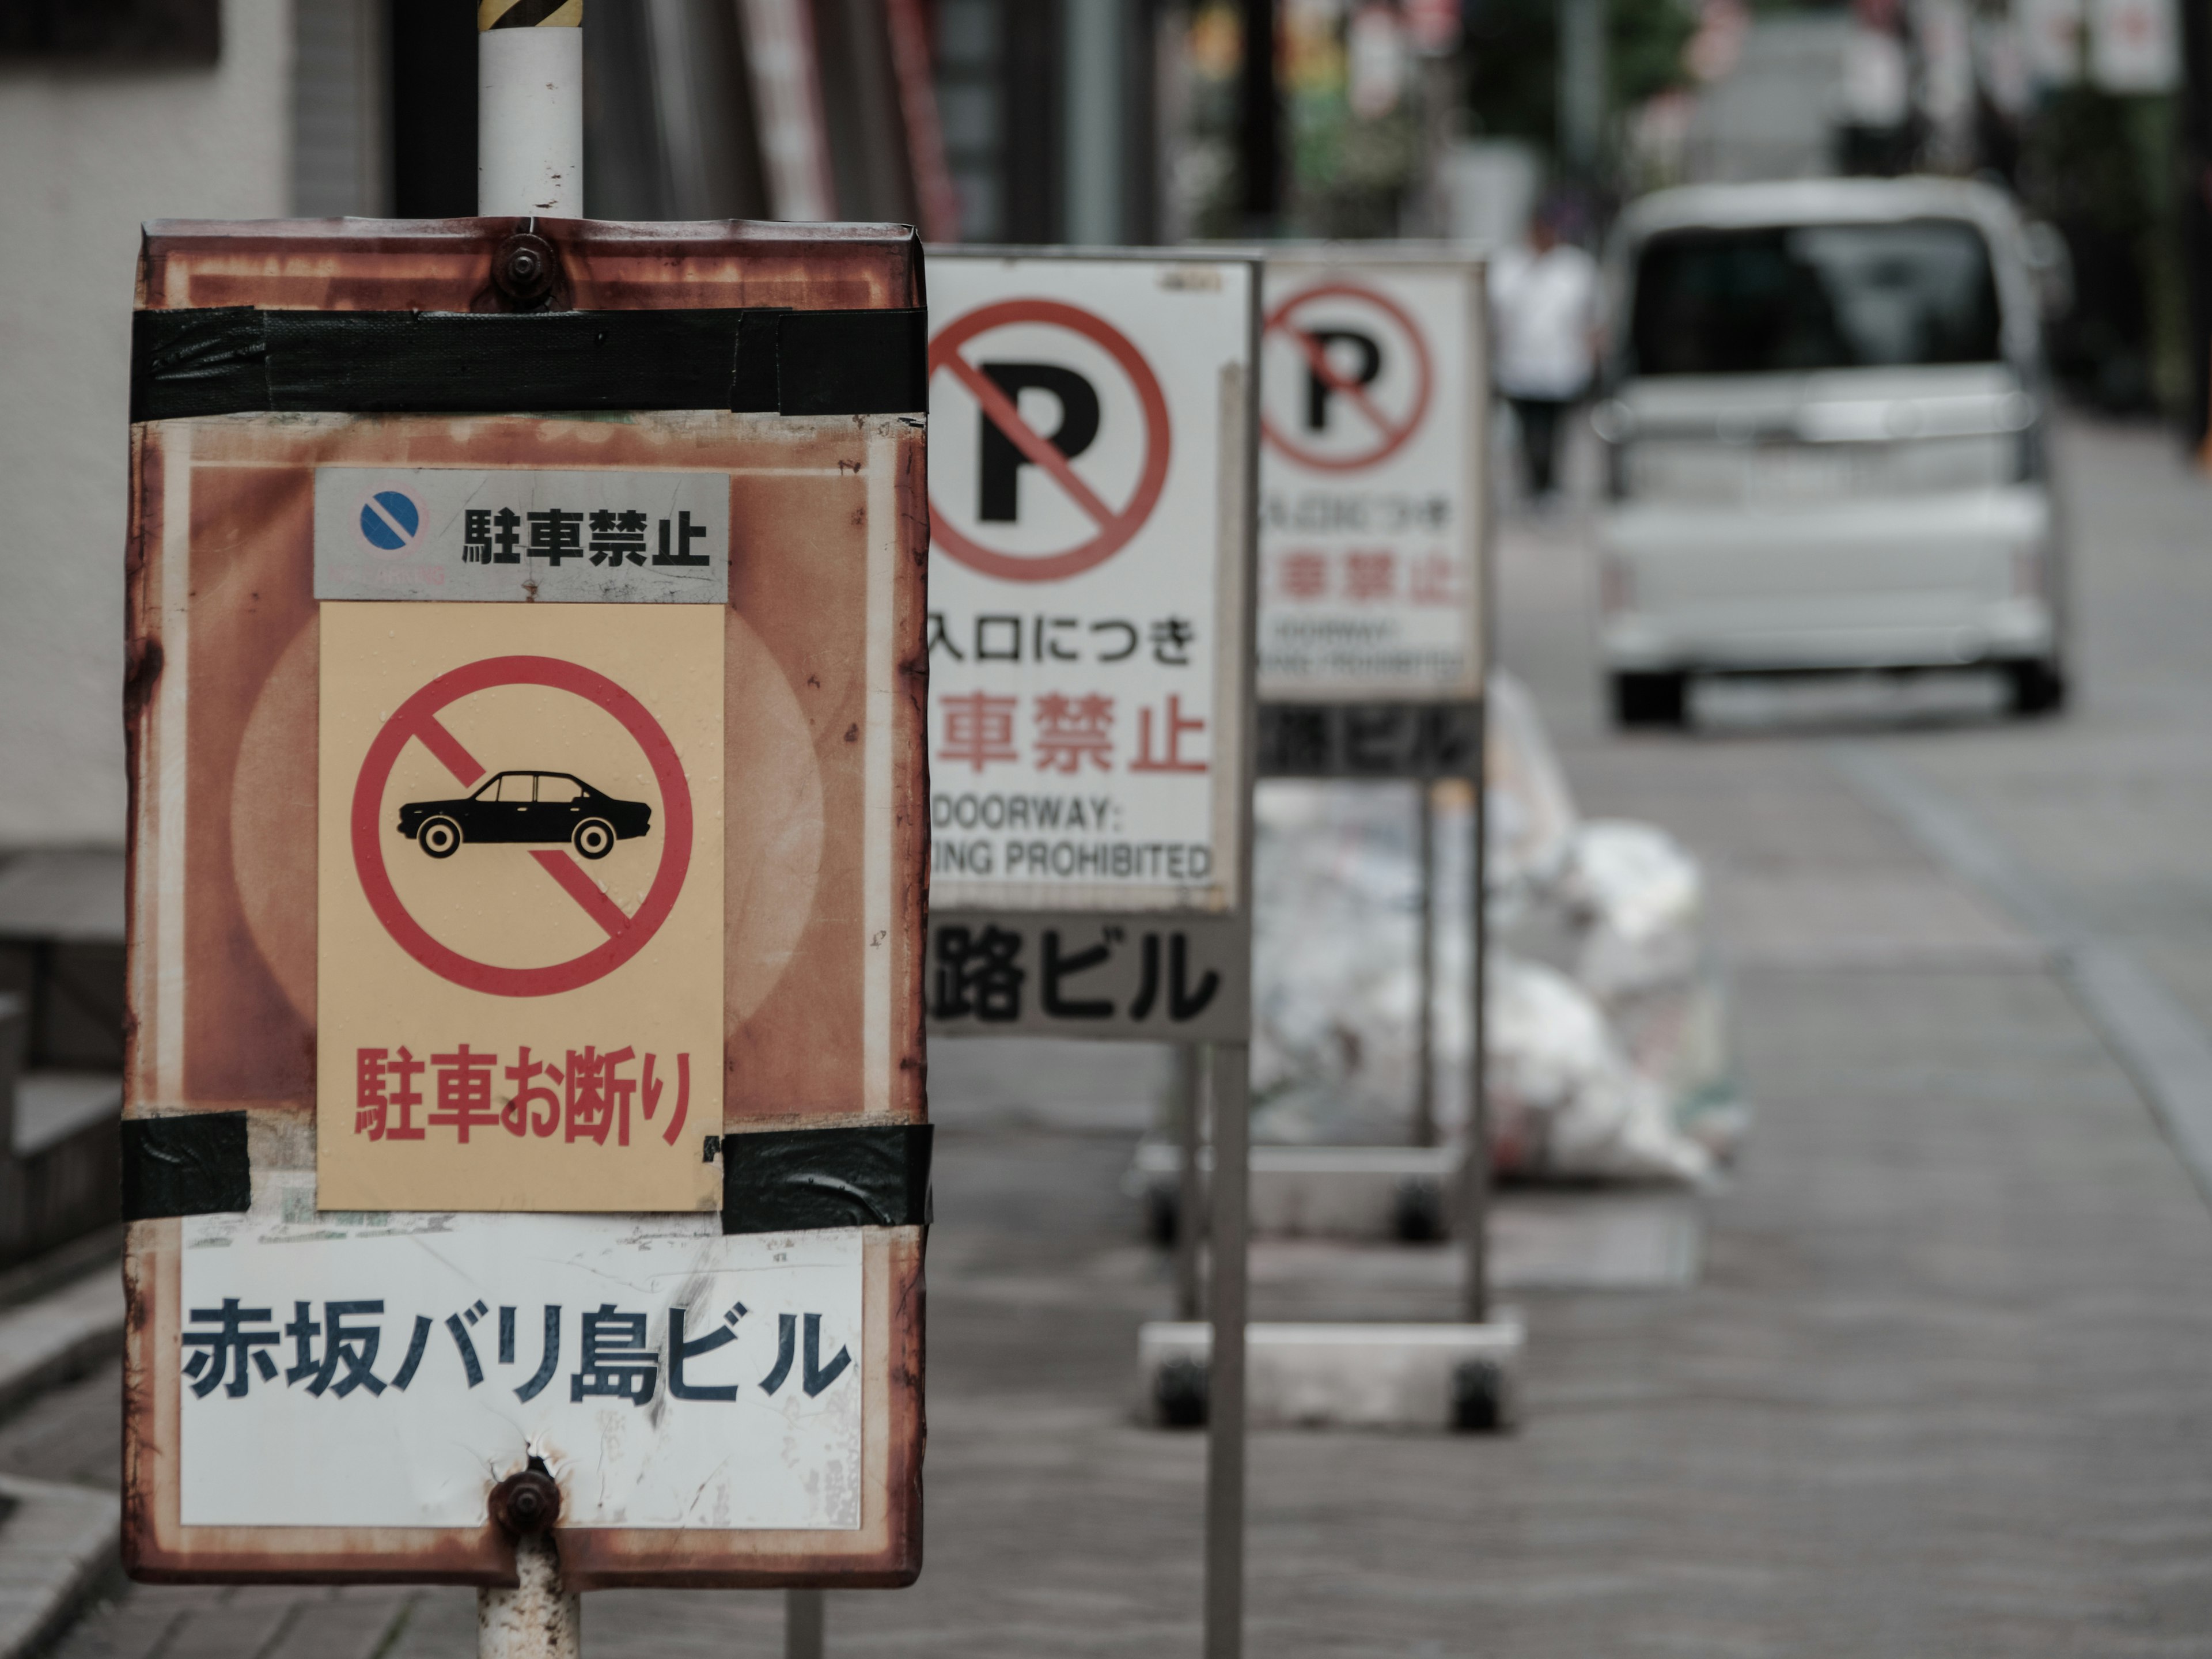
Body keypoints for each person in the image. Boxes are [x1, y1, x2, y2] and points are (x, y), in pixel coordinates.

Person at [1490, 199, 1603, 505]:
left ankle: (1550, 487)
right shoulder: (1508, 266)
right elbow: (1496, 319)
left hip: (1563, 368)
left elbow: (1591, 320)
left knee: (1555, 433)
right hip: (1518, 368)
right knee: (1528, 433)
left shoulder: (1576, 268)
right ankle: (1531, 487)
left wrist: (1594, 362)